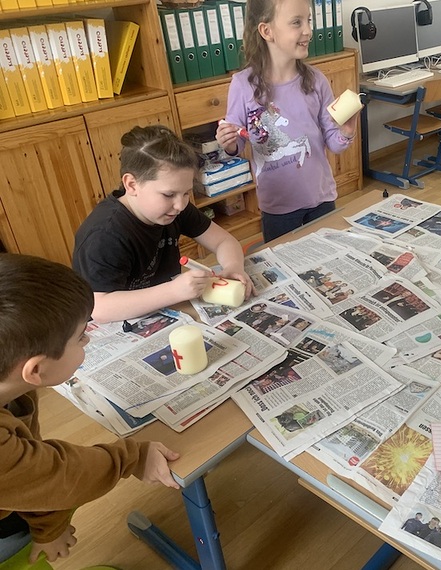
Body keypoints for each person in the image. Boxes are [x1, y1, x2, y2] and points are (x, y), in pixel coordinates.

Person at [0, 254, 180, 566]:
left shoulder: (12, 386)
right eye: (81, 335)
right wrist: (134, 457)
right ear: (36, 370)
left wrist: (48, 524)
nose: (88, 339)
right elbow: (59, 474)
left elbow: (29, 467)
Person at [72, 125, 253, 323]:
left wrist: (233, 266)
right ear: (131, 185)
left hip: (165, 309)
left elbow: (223, 241)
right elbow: (100, 308)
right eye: (168, 194)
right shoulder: (104, 235)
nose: (180, 205)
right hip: (120, 322)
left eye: (186, 193)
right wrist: (173, 291)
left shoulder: (174, 208)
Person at [215, 0, 358, 243]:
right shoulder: (242, 85)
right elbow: (236, 145)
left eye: (308, 20)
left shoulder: (317, 80)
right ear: (266, 31)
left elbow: (334, 144)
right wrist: (228, 141)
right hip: (278, 208)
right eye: (296, 22)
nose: (308, 30)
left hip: (321, 198)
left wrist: (346, 131)